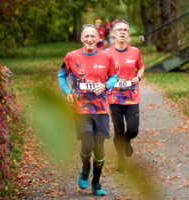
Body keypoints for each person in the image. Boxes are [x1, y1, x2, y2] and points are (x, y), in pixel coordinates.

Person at [57, 24, 118, 196]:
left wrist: (106, 85)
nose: (90, 39)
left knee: (99, 149)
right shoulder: (71, 56)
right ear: (81, 38)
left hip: (101, 110)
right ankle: (85, 169)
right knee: (88, 144)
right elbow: (62, 75)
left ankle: (96, 183)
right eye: (87, 36)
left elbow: (114, 76)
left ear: (98, 38)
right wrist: (67, 92)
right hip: (80, 109)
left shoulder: (107, 57)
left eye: (93, 36)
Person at [105, 20, 145, 172]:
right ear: (114, 33)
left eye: (125, 30)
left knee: (133, 130)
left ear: (128, 34)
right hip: (114, 97)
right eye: (119, 30)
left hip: (131, 96)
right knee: (119, 130)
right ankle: (121, 161)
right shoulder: (107, 53)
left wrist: (138, 78)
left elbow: (141, 67)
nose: (122, 32)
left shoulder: (135, 51)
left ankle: (128, 141)